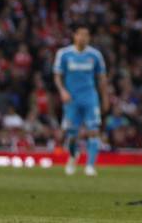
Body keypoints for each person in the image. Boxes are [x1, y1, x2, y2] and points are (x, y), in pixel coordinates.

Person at [53, 25, 108, 176]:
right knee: (71, 133)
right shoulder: (64, 54)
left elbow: (102, 78)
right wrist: (62, 91)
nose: (83, 38)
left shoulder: (95, 55)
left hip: (90, 98)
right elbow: (57, 75)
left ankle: (90, 165)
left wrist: (105, 98)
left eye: (86, 35)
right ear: (74, 36)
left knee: (93, 131)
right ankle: (72, 157)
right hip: (72, 99)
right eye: (80, 35)